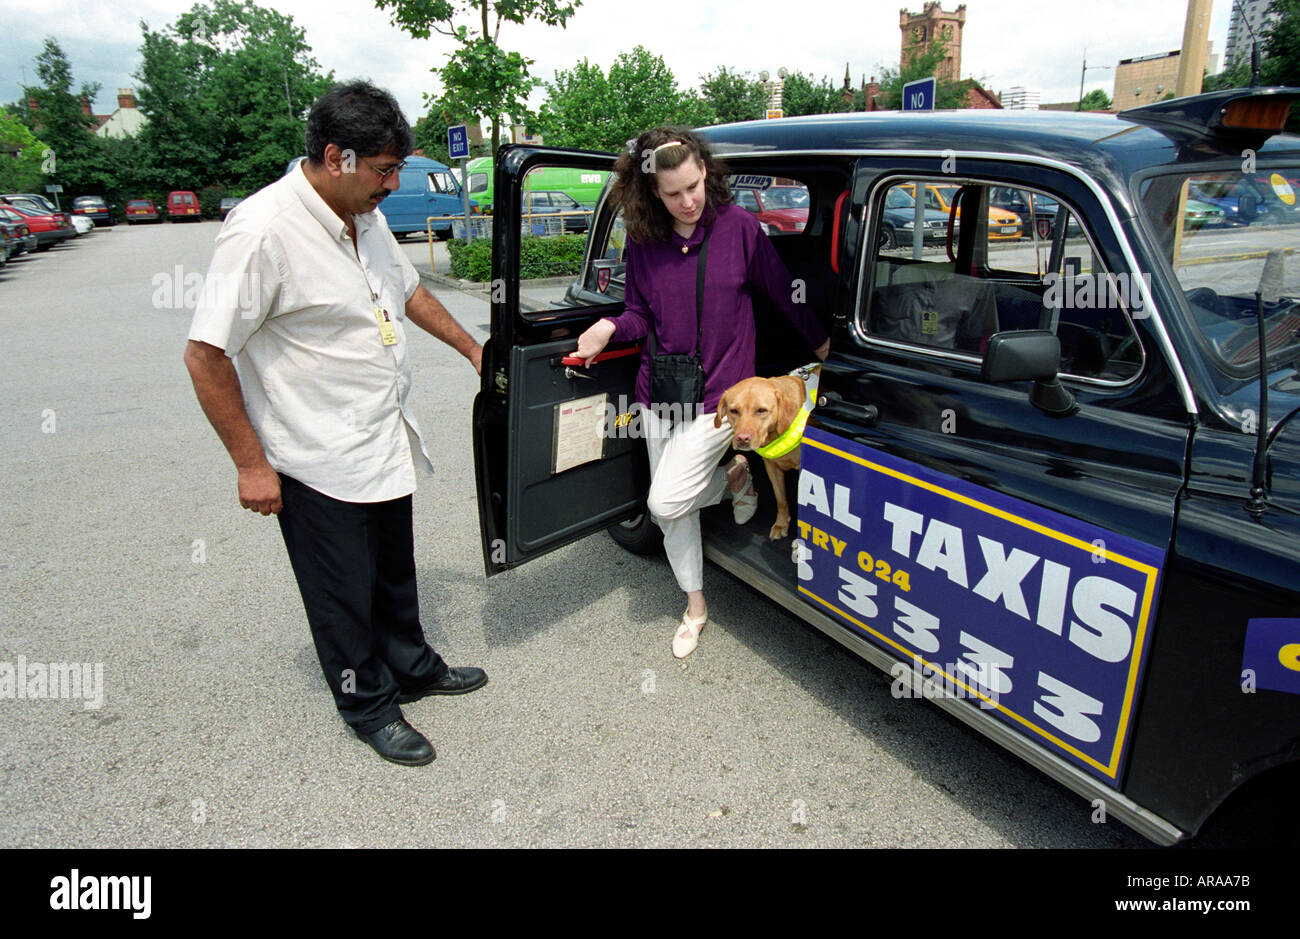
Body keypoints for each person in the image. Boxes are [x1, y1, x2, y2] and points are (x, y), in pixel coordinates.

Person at [183, 81, 486, 766]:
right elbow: (204, 355)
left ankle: (411, 664)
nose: (395, 181)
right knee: (341, 592)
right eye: (384, 169)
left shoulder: (366, 214)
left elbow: (406, 290)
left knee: (392, 573)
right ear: (334, 156)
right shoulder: (262, 231)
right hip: (313, 454)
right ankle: (369, 703)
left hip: (381, 436)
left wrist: (472, 347)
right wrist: (250, 463)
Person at [573, 126, 829, 659]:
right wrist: (607, 329)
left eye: (694, 185)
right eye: (673, 193)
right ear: (652, 193)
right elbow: (639, 316)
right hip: (659, 391)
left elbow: (784, 294)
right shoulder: (644, 242)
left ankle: (737, 470)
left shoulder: (739, 228)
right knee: (674, 511)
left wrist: (825, 347)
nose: (688, 201)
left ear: (706, 173)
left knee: (664, 500)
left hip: (722, 399)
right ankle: (696, 604)